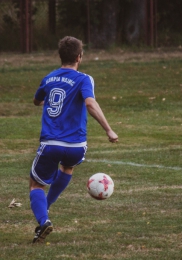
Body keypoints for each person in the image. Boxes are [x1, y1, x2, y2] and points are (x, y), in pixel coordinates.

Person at [29, 36, 118, 243]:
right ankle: (47, 209)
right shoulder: (84, 79)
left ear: (60, 56)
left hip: (51, 144)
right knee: (67, 168)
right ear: (79, 57)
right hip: (77, 146)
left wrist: (47, 98)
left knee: (35, 185)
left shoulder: (49, 78)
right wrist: (109, 130)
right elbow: (90, 103)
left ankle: (43, 219)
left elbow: (36, 100)